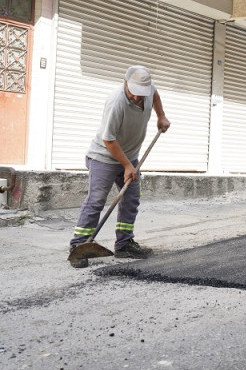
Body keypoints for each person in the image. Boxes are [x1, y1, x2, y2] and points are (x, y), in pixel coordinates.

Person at [69, 65, 170, 268]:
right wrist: (126, 166)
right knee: (96, 201)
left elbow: (155, 95)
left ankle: (124, 245)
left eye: (141, 94)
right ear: (125, 83)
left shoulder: (148, 90)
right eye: (133, 93)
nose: (136, 98)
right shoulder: (116, 102)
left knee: (130, 200)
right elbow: (108, 139)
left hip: (130, 157)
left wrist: (161, 115)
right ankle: (78, 247)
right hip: (104, 157)